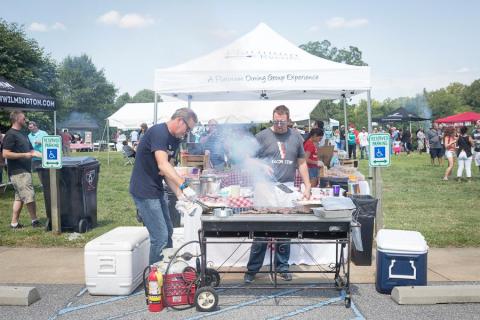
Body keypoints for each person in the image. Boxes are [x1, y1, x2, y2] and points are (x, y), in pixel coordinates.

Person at [244, 105, 311, 284]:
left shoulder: (296, 136)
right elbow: (248, 158)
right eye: (276, 121)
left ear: (288, 120)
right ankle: (252, 269)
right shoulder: (262, 136)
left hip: (286, 187)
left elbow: (302, 163)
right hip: (265, 187)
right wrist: (260, 166)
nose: (279, 125)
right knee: (261, 231)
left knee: (285, 231)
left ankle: (283, 267)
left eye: (282, 122)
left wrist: (308, 185)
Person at [130, 108, 198, 265]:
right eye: (188, 128)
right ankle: (154, 280)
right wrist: (183, 185)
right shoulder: (159, 132)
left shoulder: (175, 139)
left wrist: (180, 195)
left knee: (168, 233)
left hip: (157, 189)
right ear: (180, 120)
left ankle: (167, 272)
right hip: (144, 190)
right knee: (160, 237)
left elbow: (166, 170)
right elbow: (162, 163)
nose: (187, 133)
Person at [2, 111, 42, 229]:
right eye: (24, 119)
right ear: (17, 119)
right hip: (18, 171)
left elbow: (31, 151)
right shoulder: (10, 134)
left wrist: (45, 156)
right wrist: (24, 155)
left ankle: (14, 223)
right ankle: (35, 221)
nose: (26, 121)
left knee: (19, 197)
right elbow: (5, 153)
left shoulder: (23, 134)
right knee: (29, 195)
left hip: (25, 170)